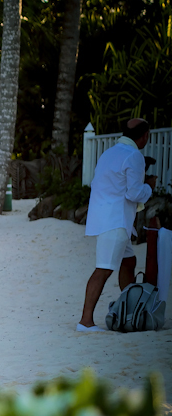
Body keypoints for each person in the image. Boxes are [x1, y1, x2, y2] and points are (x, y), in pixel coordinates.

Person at [77, 118, 157, 332]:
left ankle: (129, 309)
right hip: (116, 221)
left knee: (129, 261)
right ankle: (85, 322)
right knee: (103, 269)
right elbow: (134, 193)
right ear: (145, 137)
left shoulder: (109, 153)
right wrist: (149, 187)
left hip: (105, 217)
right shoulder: (134, 156)